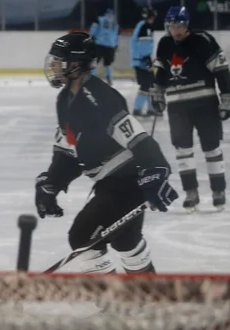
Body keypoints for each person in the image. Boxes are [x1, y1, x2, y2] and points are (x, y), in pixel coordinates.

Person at [37, 32, 178, 275]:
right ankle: (150, 297)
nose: (54, 66)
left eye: (60, 60)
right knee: (126, 240)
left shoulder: (99, 96)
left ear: (77, 63)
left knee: (82, 237)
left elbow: (135, 136)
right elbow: (68, 151)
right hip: (110, 183)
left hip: (127, 182)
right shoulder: (64, 100)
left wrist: (155, 169)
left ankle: (111, 302)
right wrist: (52, 183)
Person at [150, 6, 228, 212]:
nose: (176, 30)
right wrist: (157, 93)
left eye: (180, 26)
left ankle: (218, 191)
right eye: (172, 26)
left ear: (186, 25)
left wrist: (226, 98)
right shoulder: (165, 44)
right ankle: (191, 193)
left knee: (211, 148)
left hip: (205, 104)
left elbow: (221, 70)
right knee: (182, 149)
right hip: (177, 106)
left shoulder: (203, 40)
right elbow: (160, 72)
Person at [130, 6, 157, 117]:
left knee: (150, 85)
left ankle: (151, 109)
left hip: (139, 61)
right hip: (141, 62)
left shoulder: (141, 25)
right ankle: (137, 109)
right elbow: (144, 45)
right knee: (146, 85)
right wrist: (147, 60)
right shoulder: (146, 27)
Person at [90, 8, 119, 85]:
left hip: (99, 44)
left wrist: (91, 37)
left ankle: (93, 79)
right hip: (110, 46)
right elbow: (116, 36)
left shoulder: (100, 19)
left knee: (94, 62)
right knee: (108, 65)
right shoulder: (115, 24)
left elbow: (94, 28)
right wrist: (116, 45)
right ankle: (109, 78)